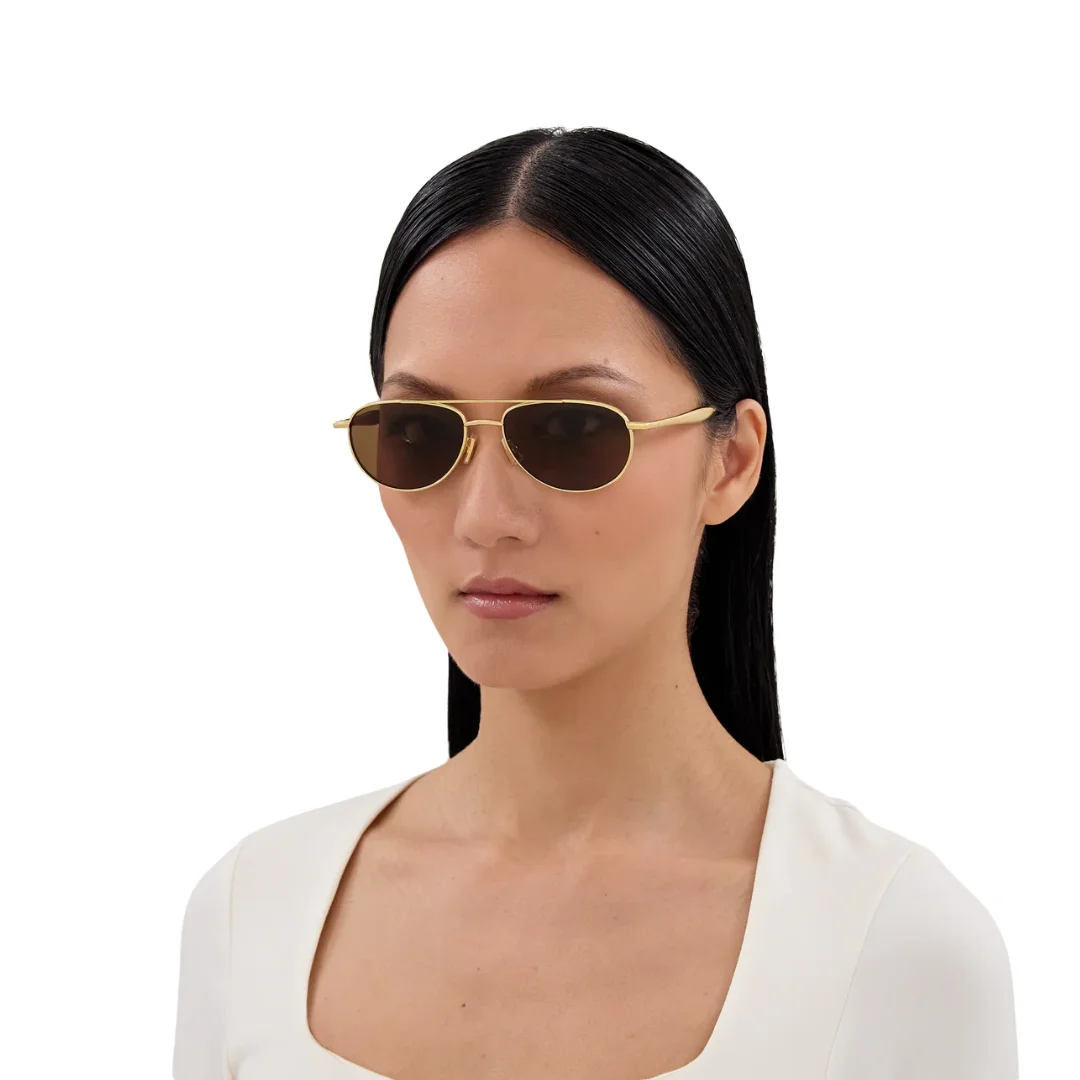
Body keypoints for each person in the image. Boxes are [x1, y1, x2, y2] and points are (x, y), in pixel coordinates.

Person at [172, 126, 1018, 1079]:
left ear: (732, 461)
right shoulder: (252, 916)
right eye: (420, 432)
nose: (486, 519)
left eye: (573, 430)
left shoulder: (892, 946)